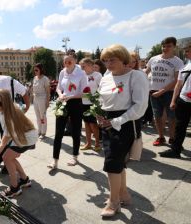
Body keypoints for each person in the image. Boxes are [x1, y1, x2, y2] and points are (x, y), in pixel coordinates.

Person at [97, 44, 148, 217]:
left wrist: (117, 120)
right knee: (117, 161)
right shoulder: (105, 77)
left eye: (113, 59)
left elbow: (140, 106)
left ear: (123, 59)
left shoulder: (136, 76)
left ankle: (114, 202)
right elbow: (101, 100)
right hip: (107, 122)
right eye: (105, 60)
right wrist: (99, 114)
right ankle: (124, 194)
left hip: (126, 123)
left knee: (112, 162)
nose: (108, 63)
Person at [0, 89, 36, 198]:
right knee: (10, 157)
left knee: (6, 157)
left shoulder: (7, 117)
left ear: (6, 104)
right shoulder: (9, 110)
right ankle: (24, 180)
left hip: (26, 138)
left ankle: (14, 188)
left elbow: (3, 144)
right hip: (26, 136)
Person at [48, 54, 87, 169]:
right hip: (63, 102)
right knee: (58, 132)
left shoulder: (81, 73)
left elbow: (84, 92)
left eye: (69, 61)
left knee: (75, 131)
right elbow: (59, 87)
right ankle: (55, 160)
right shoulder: (62, 72)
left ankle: (75, 156)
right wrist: (60, 94)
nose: (67, 63)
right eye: (65, 62)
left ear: (75, 61)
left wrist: (71, 97)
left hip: (76, 103)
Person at [145, 37, 184, 146]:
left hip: (169, 93)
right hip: (153, 92)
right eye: (163, 46)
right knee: (157, 116)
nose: (165, 48)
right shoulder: (153, 59)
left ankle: (172, 138)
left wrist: (161, 91)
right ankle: (161, 137)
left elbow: (177, 80)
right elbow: (145, 73)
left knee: (172, 117)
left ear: (174, 47)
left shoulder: (178, 62)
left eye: (168, 46)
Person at [160, 43, 191, 158]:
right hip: (183, 100)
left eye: (187, 50)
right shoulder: (185, 66)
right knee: (180, 127)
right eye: (185, 51)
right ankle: (175, 150)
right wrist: (173, 101)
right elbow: (178, 84)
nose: (185, 53)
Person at [79, 58, 102, 151]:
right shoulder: (82, 75)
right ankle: (88, 143)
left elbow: (101, 88)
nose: (81, 68)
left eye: (83, 66)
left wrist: (97, 99)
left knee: (93, 124)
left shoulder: (97, 75)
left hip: (93, 103)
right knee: (86, 124)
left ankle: (97, 143)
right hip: (83, 102)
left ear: (89, 65)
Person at [31, 63, 50, 139]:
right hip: (36, 98)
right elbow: (33, 89)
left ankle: (43, 132)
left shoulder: (45, 79)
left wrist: (47, 102)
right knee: (37, 116)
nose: (35, 71)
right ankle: (39, 131)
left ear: (41, 70)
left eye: (36, 70)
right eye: (34, 70)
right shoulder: (35, 78)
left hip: (42, 98)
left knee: (43, 116)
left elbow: (48, 92)